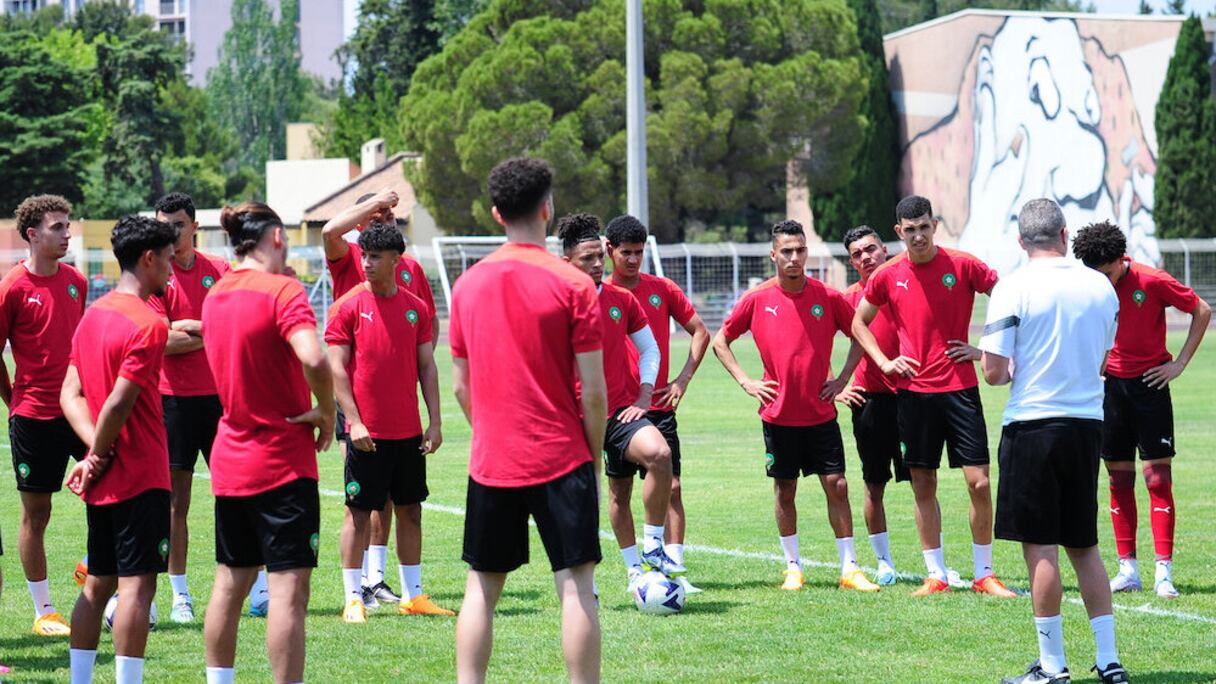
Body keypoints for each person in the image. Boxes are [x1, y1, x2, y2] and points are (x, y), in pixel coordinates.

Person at [451, 158, 605, 683]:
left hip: (493, 460)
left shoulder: (467, 285)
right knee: (576, 587)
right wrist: (591, 455)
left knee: (481, 588)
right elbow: (596, 394)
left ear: (497, 213)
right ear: (548, 208)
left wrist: (493, 434)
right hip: (563, 457)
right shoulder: (574, 285)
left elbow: (460, 385)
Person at [981, 199, 1128, 684]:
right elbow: (1104, 357)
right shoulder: (1102, 287)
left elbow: (995, 373)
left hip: (1033, 425)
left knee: (1041, 547)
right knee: (1084, 545)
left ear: (1021, 241)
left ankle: (1051, 667)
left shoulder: (1012, 287)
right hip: (1087, 424)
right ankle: (1109, 661)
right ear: (1065, 234)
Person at [851, 195, 1016, 598]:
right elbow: (859, 323)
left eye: (924, 227)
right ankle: (936, 574)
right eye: (910, 230)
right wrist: (885, 362)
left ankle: (984, 574)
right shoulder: (888, 275)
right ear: (899, 232)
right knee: (923, 485)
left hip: (961, 390)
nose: (919, 236)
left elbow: (1010, 298)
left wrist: (985, 351)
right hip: (914, 396)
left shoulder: (963, 264)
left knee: (978, 483)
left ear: (934, 225)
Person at [200, 202, 334, 684]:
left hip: (231, 459)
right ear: (277, 237)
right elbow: (314, 357)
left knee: (229, 584)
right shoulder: (283, 290)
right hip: (282, 461)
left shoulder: (215, 296)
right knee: (287, 591)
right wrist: (328, 409)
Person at [713, 219, 878, 593]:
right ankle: (793, 567)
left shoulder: (827, 296)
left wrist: (842, 380)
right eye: (786, 251)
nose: (794, 257)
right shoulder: (757, 299)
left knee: (836, 485)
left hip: (821, 414)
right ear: (774, 255)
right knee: (784, 489)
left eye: (800, 250)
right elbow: (721, 341)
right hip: (779, 415)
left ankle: (850, 568)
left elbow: (859, 334)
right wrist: (746, 381)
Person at [61, 214, 176, 684]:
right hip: (140, 474)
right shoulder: (150, 323)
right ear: (148, 259)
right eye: (168, 259)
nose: (172, 269)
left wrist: (92, 454)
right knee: (138, 589)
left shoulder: (93, 315)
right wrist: (100, 452)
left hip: (105, 477)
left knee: (95, 586)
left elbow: (71, 395)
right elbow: (118, 402)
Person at [1072, 220, 1211, 599]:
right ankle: (1127, 569)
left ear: (1121, 259)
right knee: (1118, 481)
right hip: (1110, 390)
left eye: (1106, 272)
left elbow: (1200, 310)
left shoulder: (1152, 280)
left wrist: (1178, 364)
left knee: (1157, 480)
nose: (1101, 279)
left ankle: (1163, 572)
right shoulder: (1090, 285)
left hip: (1150, 389)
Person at [325, 223, 450, 623]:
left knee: (411, 511)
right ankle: (353, 599)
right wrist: (355, 422)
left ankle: (413, 596)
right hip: (367, 434)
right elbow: (337, 370)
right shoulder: (346, 306)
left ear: (397, 260)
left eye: (375, 257)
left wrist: (435, 422)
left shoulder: (417, 307)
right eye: (364, 256)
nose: (367, 263)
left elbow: (428, 367)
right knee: (358, 513)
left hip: (408, 432)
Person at [146, 192, 251, 623]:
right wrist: (212, 332)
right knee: (177, 504)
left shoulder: (221, 271)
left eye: (176, 224)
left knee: (239, 494)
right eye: (163, 224)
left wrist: (190, 329)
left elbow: (241, 322)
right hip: (171, 401)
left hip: (222, 398)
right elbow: (159, 341)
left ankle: (253, 588)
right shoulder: (156, 274)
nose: (169, 232)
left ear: (194, 227)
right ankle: (179, 595)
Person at [557, 213, 675, 588]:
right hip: (573, 421)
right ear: (566, 263)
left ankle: (654, 546)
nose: (596, 265)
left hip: (620, 415)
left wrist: (643, 394)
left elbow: (650, 350)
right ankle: (623, 573)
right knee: (600, 497)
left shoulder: (621, 300)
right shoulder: (553, 305)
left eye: (598, 257)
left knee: (660, 455)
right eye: (586, 259)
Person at [606, 214, 711, 593]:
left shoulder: (661, 289)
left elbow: (700, 332)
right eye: (626, 253)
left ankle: (673, 569)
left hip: (658, 407)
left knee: (674, 487)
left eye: (639, 252)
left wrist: (682, 380)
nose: (633, 260)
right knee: (620, 492)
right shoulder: (600, 295)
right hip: (617, 410)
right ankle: (635, 570)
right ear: (609, 251)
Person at [0, 194, 88, 636]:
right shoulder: (12, 287)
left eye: (67, 225)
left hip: (80, 410)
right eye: (57, 227)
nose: (67, 232)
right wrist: (13, 401)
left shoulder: (76, 281)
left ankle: (92, 567)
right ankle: (44, 611)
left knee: (115, 488)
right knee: (38, 514)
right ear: (33, 235)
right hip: (33, 416)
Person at [836, 225, 909, 586]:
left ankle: (936, 565)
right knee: (873, 484)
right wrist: (837, 386)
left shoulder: (906, 282)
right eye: (857, 254)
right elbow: (811, 341)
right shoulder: (848, 298)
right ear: (852, 262)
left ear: (884, 248)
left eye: (870, 249)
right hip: (869, 401)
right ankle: (884, 562)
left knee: (923, 482)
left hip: (913, 395)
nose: (865, 257)